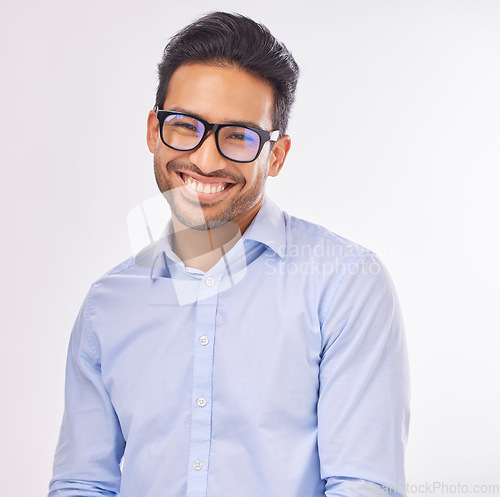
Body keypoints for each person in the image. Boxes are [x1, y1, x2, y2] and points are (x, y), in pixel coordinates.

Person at [48, 11, 410, 497]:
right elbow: (82, 484)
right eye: (185, 125)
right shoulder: (105, 305)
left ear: (276, 156)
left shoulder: (345, 284)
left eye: (238, 136)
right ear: (154, 131)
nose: (205, 158)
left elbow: (364, 485)